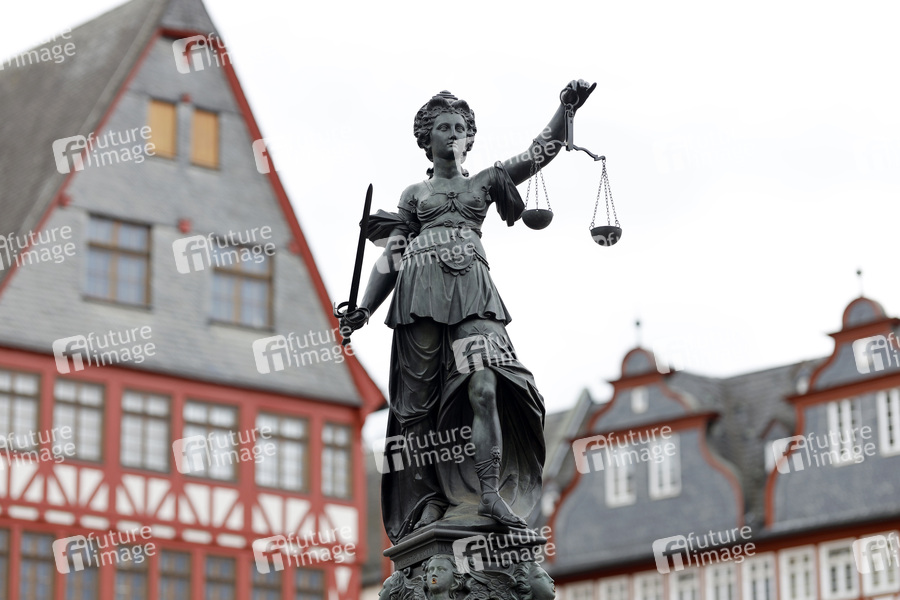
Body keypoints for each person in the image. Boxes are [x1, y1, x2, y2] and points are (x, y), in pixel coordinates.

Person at [341, 80, 595, 543]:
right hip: (419, 293)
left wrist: (565, 110)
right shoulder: (415, 194)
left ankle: (489, 490)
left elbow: (538, 153)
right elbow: (393, 254)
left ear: (469, 138)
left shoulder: (486, 182)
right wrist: (364, 308)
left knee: (486, 383)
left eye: (461, 128)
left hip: (473, 293)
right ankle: (427, 497)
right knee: (418, 405)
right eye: (444, 127)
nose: (454, 134)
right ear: (428, 138)